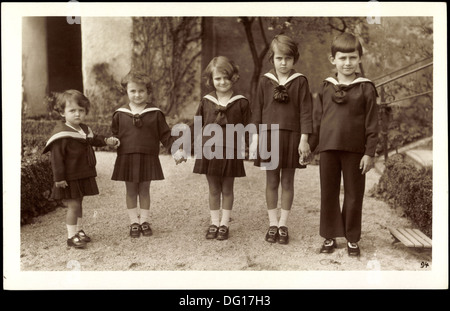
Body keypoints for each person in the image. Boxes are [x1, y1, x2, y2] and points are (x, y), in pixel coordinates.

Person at [310, 32, 379, 256]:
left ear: (359, 58)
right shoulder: (326, 86)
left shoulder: (366, 88)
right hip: (329, 149)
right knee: (328, 193)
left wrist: (369, 153)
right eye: (342, 58)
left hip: (355, 151)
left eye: (352, 58)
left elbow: (372, 123)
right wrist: (309, 147)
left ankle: (352, 238)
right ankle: (329, 236)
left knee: (353, 194)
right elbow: (317, 119)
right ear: (333, 60)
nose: (347, 63)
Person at [250, 34, 313, 245]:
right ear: (272, 59)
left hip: (292, 137)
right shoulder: (264, 81)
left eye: (287, 58)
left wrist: (304, 140)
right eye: (279, 58)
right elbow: (257, 110)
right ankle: (272, 223)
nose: (283, 63)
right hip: (269, 137)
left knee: (287, 181)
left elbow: (306, 111)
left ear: (294, 59)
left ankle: (283, 224)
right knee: (271, 181)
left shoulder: (300, 81)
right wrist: (255, 139)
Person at [111, 70, 185, 238]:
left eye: (141, 91)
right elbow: (115, 133)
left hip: (147, 156)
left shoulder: (155, 113)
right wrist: (113, 140)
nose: (137, 95)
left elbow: (165, 135)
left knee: (144, 190)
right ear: (126, 91)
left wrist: (176, 150)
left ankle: (144, 221)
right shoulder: (120, 114)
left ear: (148, 92)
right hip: (127, 156)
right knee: (130, 190)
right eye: (133, 91)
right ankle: (133, 223)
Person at [43, 90, 119, 248]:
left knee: (79, 203)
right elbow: (56, 159)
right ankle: (71, 237)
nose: (77, 114)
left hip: (82, 173)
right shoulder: (61, 134)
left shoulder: (84, 129)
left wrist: (107, 141)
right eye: (72, 110)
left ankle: (79, 230)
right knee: (73, 205)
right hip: (69, 177)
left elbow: (94, 139)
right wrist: (59, 178)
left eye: (81, 110)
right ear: (62, 113)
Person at [193, 56, 251, 240]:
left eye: (226, 77)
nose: (222, 82)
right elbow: (197, 124)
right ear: (211, 80)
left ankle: (224, 224)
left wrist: (250, 145)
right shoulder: (206, 101)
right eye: (218, 78)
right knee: (213, 189)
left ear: (233, 77)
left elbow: (248, 127)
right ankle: (214, 222)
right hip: (209, 150)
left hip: (231, 151)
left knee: (227, 188)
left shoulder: (241, 102)